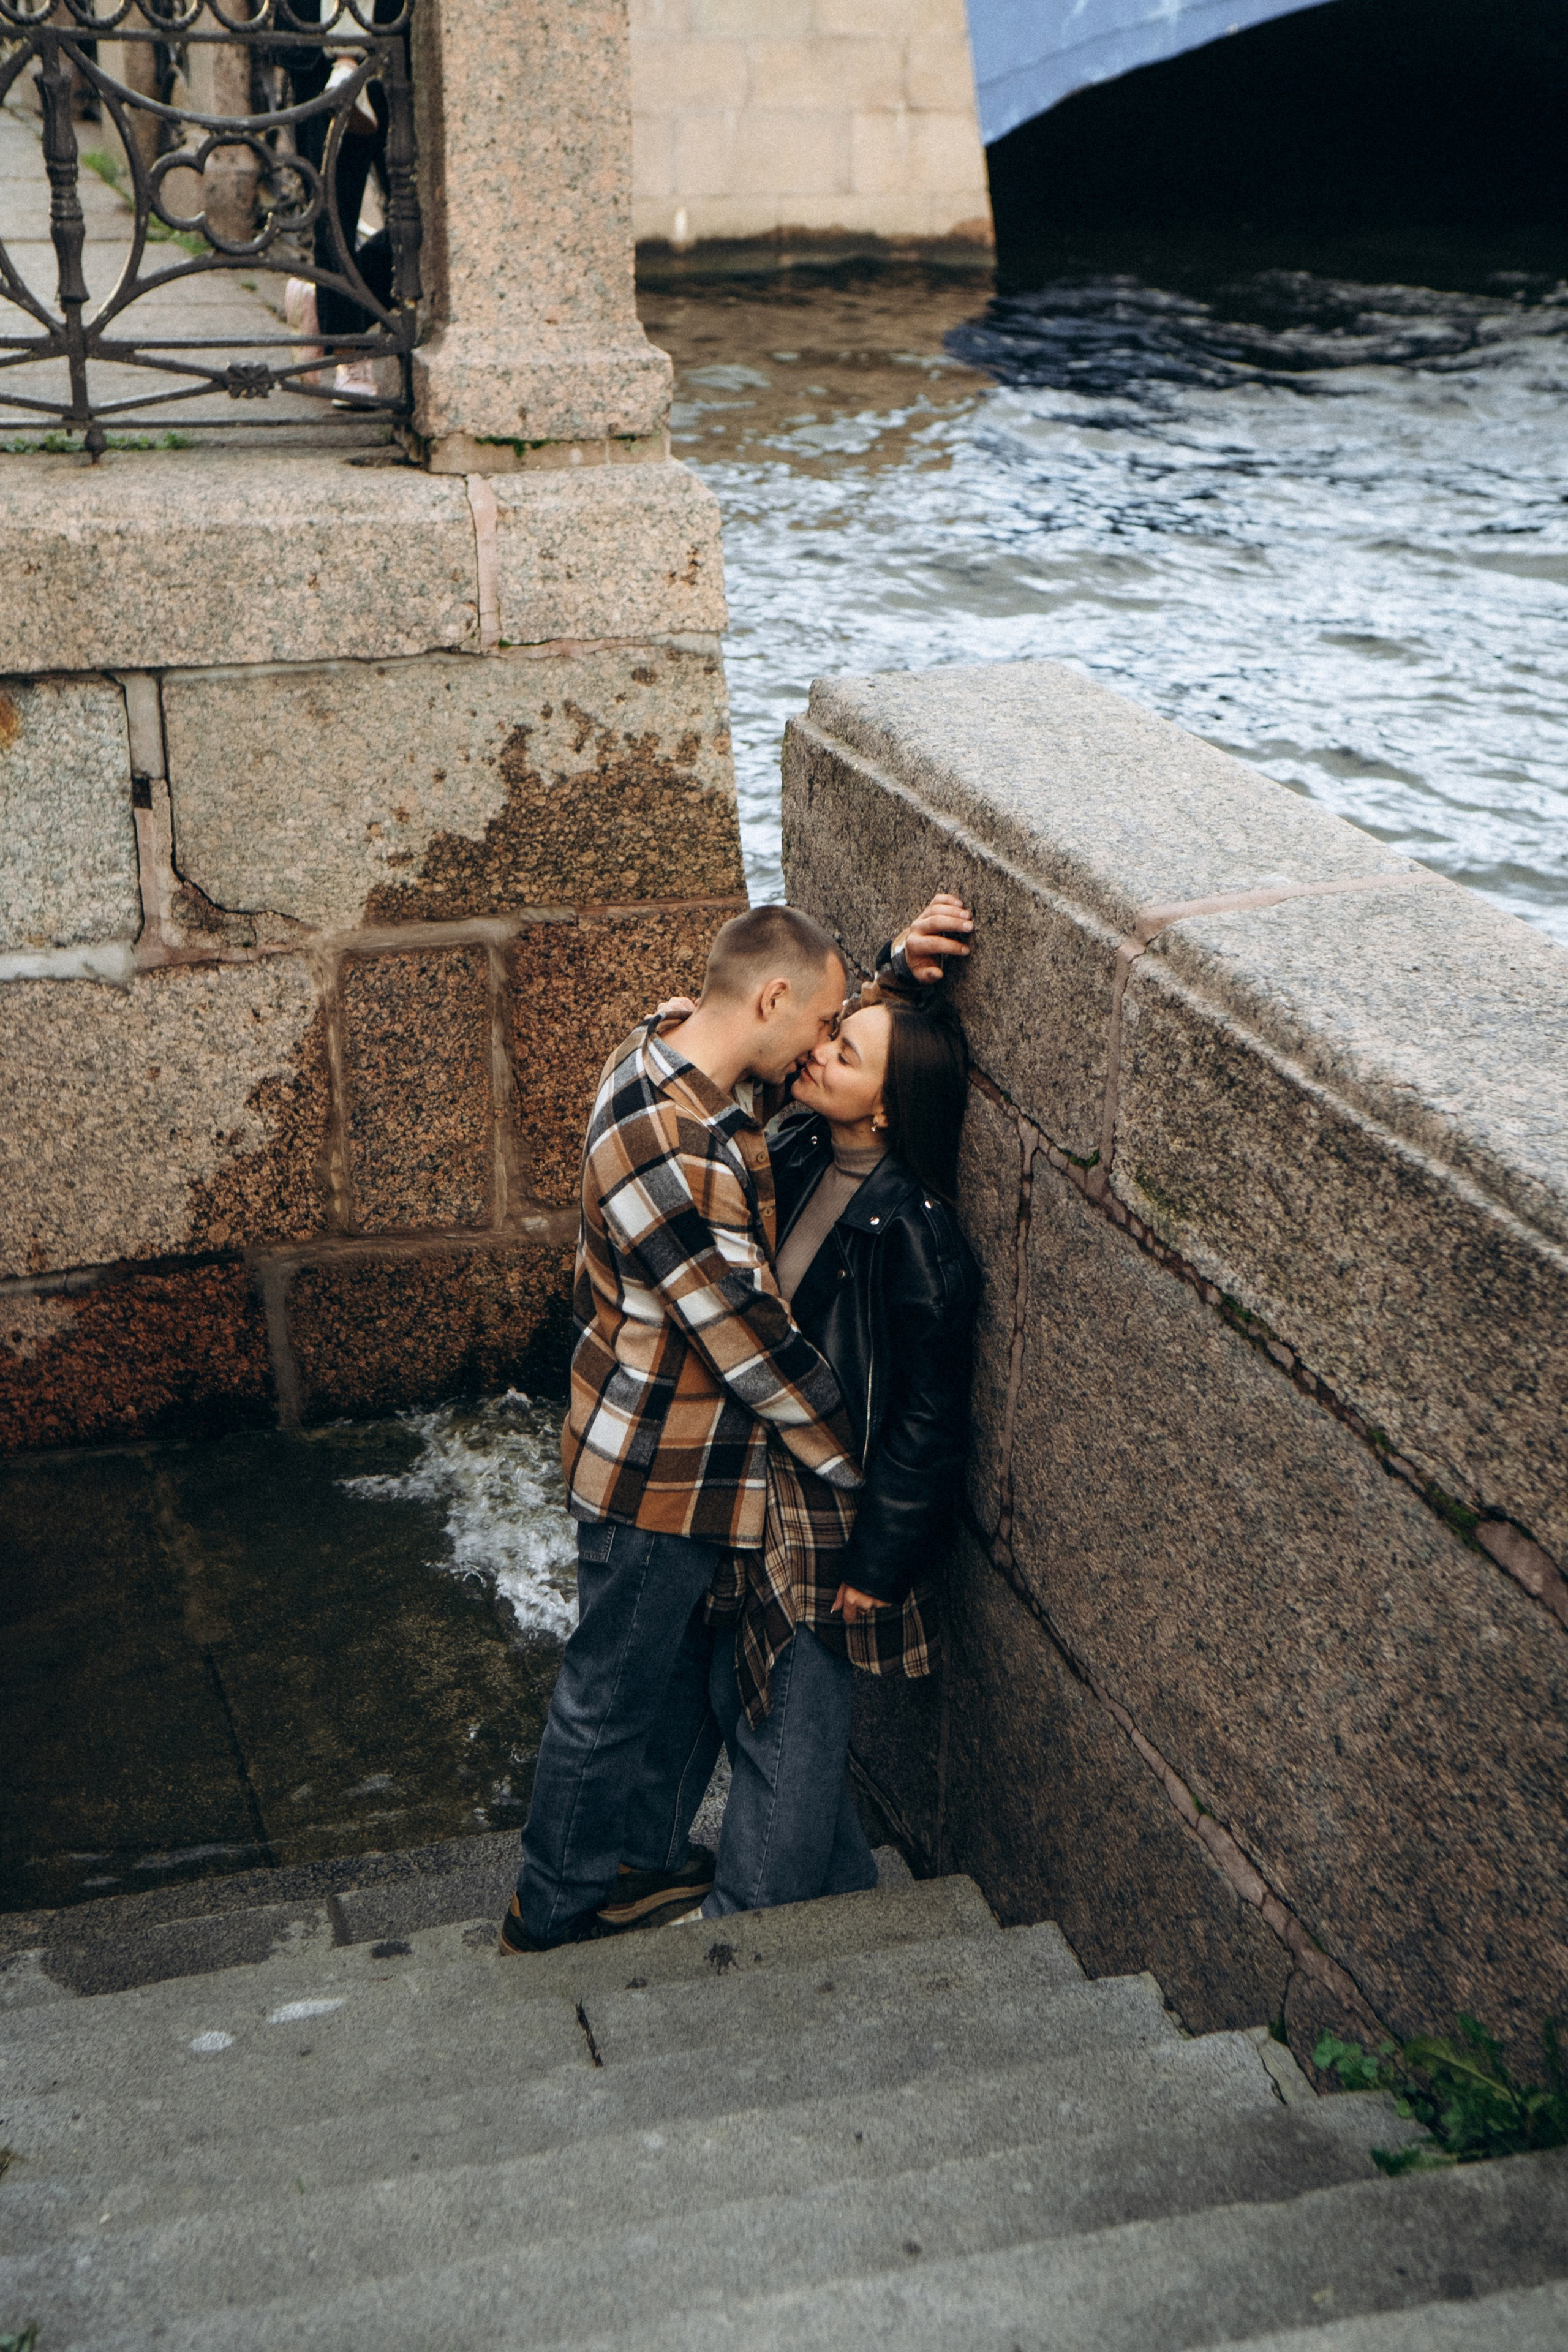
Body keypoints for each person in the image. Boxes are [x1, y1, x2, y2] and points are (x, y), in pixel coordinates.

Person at [497, 895, 973, 1953]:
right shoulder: (676, 1147)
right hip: (659, 1469)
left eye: (839, 1037)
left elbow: (789, 1023)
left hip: (672, 1455)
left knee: (663, 1685)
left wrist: (889, 972)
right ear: (774, 1004)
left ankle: (638, 1863)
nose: (819, 1049)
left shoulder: (668, 1052)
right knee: (609, 1696)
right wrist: (864, 1500)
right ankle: (554, 1906)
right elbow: (754, 1348)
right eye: (824, 1024)